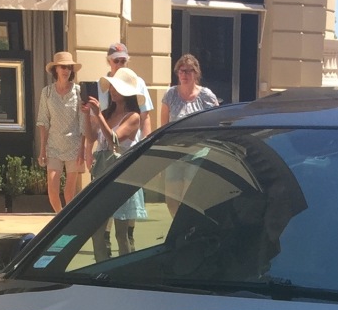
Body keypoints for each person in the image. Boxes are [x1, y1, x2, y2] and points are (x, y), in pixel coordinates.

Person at [85, 69, 147, 256]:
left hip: (123, 175)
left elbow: (114, 140)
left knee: (122, 233)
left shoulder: (133, 117)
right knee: (97, 231)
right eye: (111, 86)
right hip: (103, 175)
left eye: (117, 87)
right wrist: (87, 114)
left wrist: (98, 116)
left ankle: (125, 272)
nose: (112, 90)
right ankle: (101, 270)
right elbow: (90, 136)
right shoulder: (106, 113)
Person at [160, 54, 221, 216]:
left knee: (191, 198)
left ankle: (191, 231)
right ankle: (177, 227)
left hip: (198, 153)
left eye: (189, 71)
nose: (185, 74)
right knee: (171, 199)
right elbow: (164, 127)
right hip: (174, 153)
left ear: (196, 73)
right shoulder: (170, 95)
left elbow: (217, 124)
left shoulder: (206, 96)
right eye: (181, 71)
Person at [36, 51, 88, 213]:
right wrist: (42, 149)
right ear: (56, 69)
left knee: (69, 193)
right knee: (52, 190)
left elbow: (83, 123)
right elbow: (43, 122)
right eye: (62, 67)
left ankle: (67, 222)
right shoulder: (47, 92)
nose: (66, 70)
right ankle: (60, 218)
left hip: (74, 146)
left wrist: (83, 149)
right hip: (53, 146)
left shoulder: (79, 92)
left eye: (69, 67)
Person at [98, 41, 153, 126]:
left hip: (132, 136)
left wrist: (146, 139)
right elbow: (93, 118)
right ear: (109, 61)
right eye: (116, 61)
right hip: (105, 136)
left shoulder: (138, 82)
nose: (119, 64)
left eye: (123, 61)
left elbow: (145, 116)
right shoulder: (100, 85)